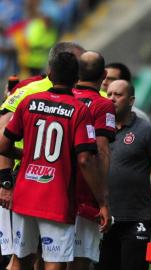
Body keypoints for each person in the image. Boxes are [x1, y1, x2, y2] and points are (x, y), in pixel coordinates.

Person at [0, 51, 110, 270]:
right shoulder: (79, 110)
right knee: (54, 262)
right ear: (76, 78)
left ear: (50, 73)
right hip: (57, 198)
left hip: (24, 194)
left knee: (20, 261)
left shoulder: (28, 102)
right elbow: (85, 159)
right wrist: (102, 201)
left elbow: (3, 145)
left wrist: (26, 155)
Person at [99, 80, 151, 270]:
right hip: (103, 218)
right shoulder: (98, 128)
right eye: (109, 94)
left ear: (131, 100)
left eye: (118, 95)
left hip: (136, 218)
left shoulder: (147, 130)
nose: (112, 99)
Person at [69, 51, 116, 270]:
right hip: (85, 195)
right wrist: (103, 198)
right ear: (104, 75)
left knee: (47, 258)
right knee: (79, 261)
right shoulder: (104, 104)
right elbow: (101, 149)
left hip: (55, 192)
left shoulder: (64, 96)